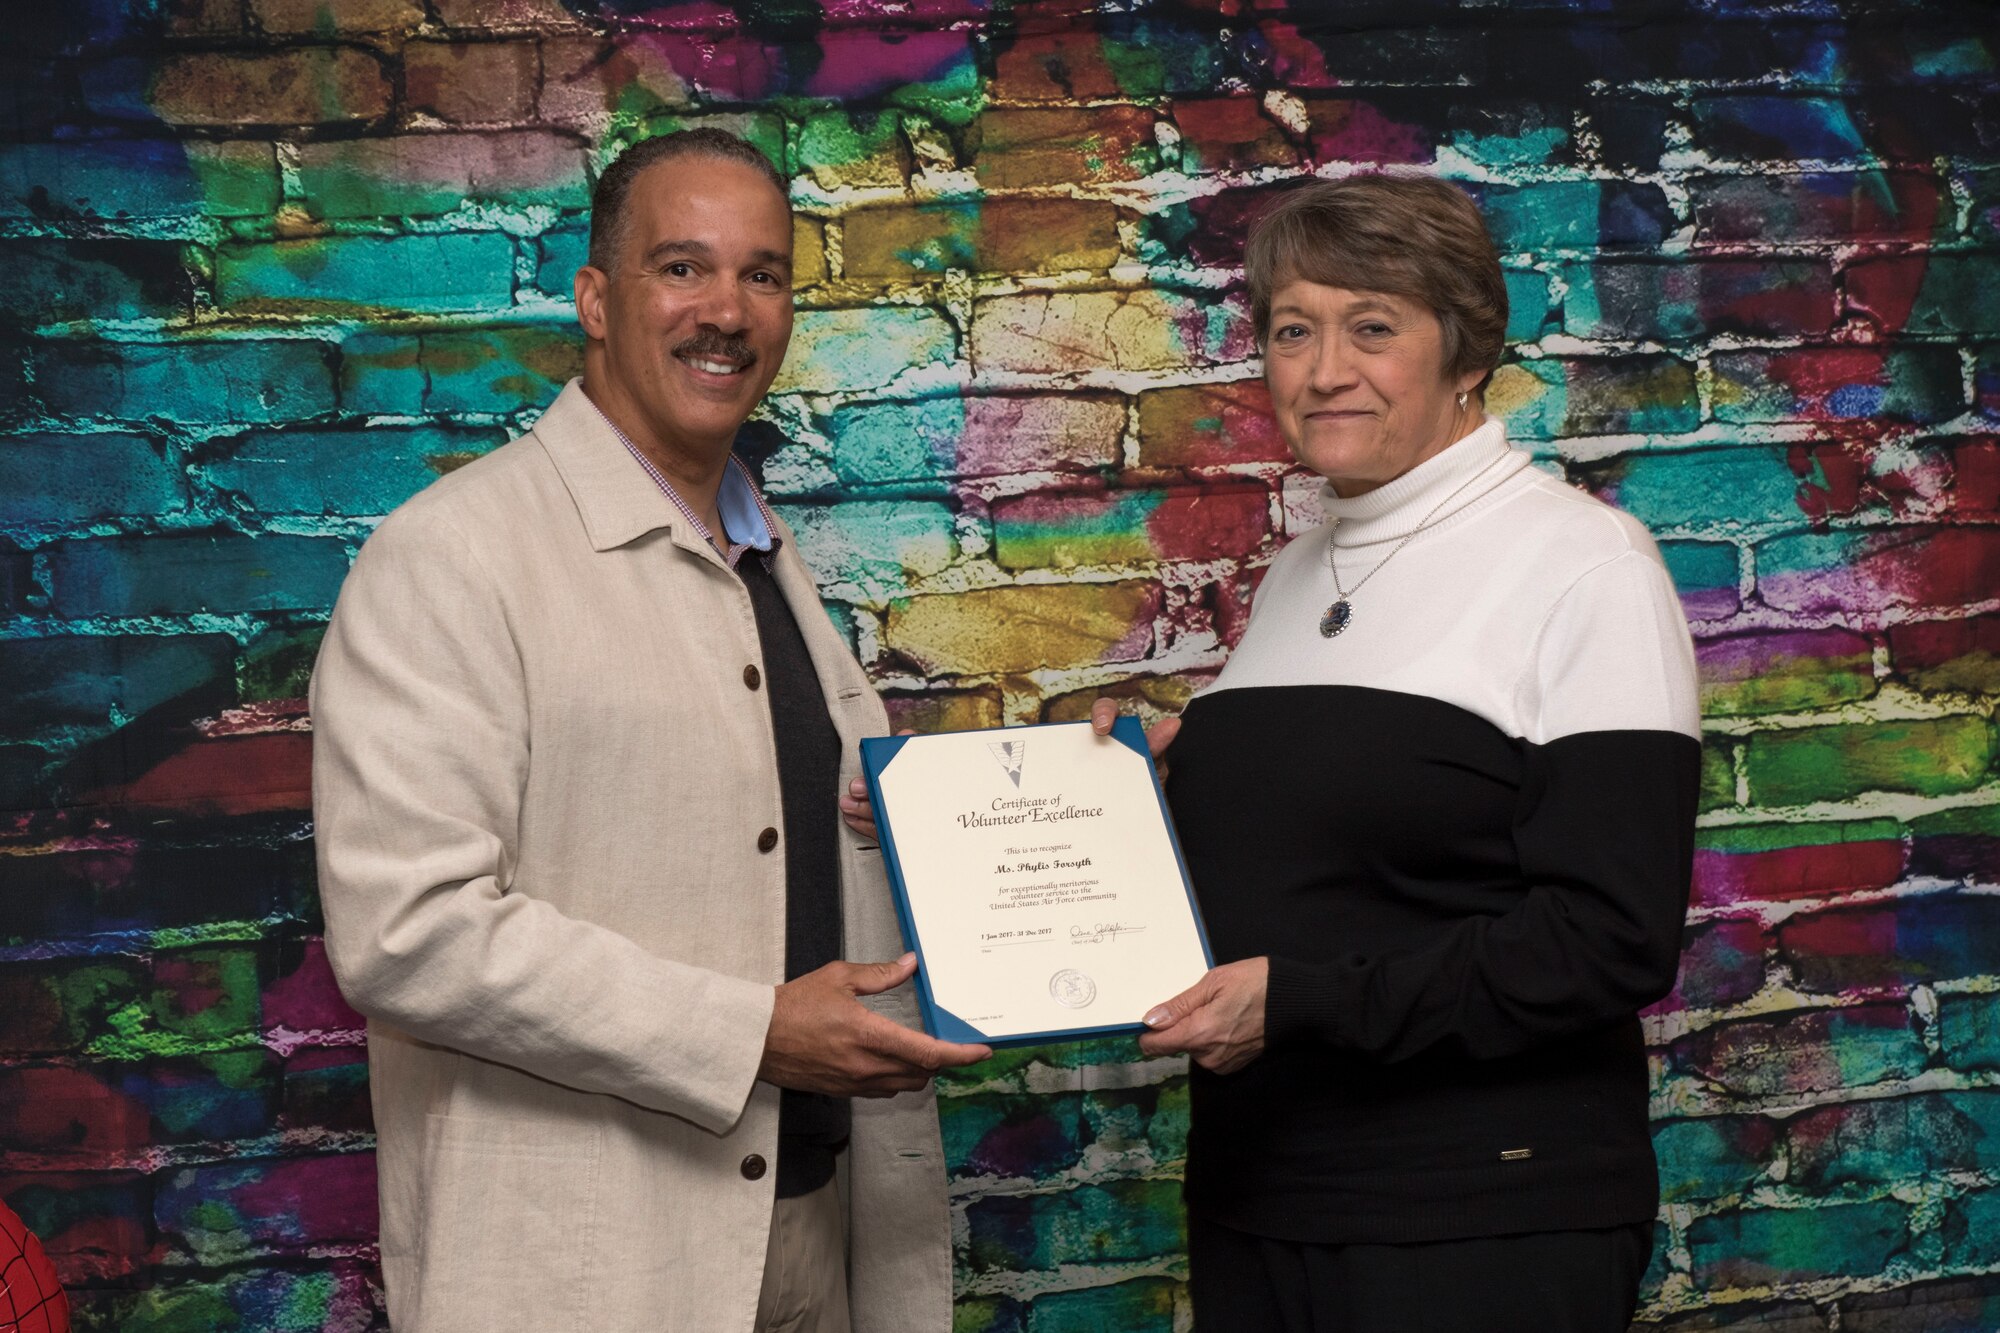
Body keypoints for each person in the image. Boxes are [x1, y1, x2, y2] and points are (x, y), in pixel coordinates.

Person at [310, 128, 988, 1333]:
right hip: (595, 1269)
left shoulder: (769, 563)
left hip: (809, 1231)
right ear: (594, 300)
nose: (725, 310)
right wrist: (753, 1031)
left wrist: (1070, 802)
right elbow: (405, 932)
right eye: (681, 268)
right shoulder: (451, 558)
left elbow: (771, 833)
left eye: (762, 274)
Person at [1099, 175, 1700, 1329]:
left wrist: (1306, 1003)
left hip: (1474, 1221)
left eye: (1371, 327)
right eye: (1292, 330)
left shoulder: (1585, 565)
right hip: (1262, 1198)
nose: (1325, 368)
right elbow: (1328, 854)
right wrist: (1092, 801)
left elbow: (1609, 940)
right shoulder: (1299, 571)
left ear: (1463, 352)